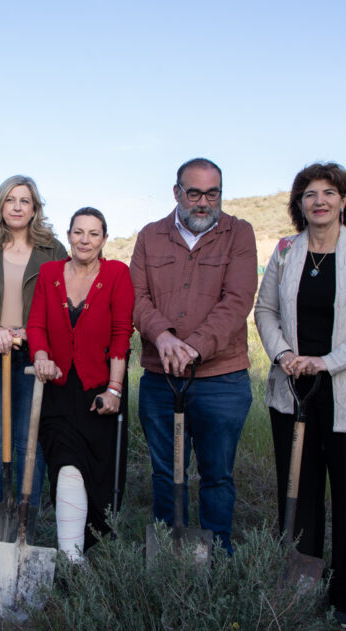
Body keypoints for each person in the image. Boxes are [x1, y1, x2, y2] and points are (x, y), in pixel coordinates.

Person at [254, 162, 346, 628]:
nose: (319, 200)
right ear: (299, 204)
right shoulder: (284, 252)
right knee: (299, 495)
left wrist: (327, 361)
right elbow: (265, 310)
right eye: (309, 193)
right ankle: (302, 593)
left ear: (344, 201)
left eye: (329, 192)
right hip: (293, 391)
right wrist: (283, 355)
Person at [130, 158, 257, 555]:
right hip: (160, 379)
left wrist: (195, 346)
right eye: (195, 193)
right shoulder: (150, 237)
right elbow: (137, 298)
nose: (203, 202)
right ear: (177, 193)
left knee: (216, 475)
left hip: (221, 379)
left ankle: (217, 557)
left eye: (212, 193)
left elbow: (237, 301)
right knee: (166, 474)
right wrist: (163, 337)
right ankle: (170, 555)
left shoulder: (239, 234)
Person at [27, 207, 133, 561]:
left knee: (100, 478)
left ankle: (96, 558)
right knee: (66, 466)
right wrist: (41, 355)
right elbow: (36, 325)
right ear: (68, 235)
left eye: (93, 233)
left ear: (104, 239)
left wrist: (115, 389)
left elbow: (121, 334)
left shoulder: (117, 273)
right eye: (78, 232)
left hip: (101, 391)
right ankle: (70, 563)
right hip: (57, 390)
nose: (84, 240)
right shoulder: (49, 273)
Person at [0, 176, 67, 511]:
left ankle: (28, 515)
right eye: (10, 199)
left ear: (34, 209)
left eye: (24, 200)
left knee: (30, 440)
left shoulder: (53, 250)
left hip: (34, 353)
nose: (16, 206)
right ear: (0, 205)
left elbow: (63, 301)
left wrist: (34, 331)